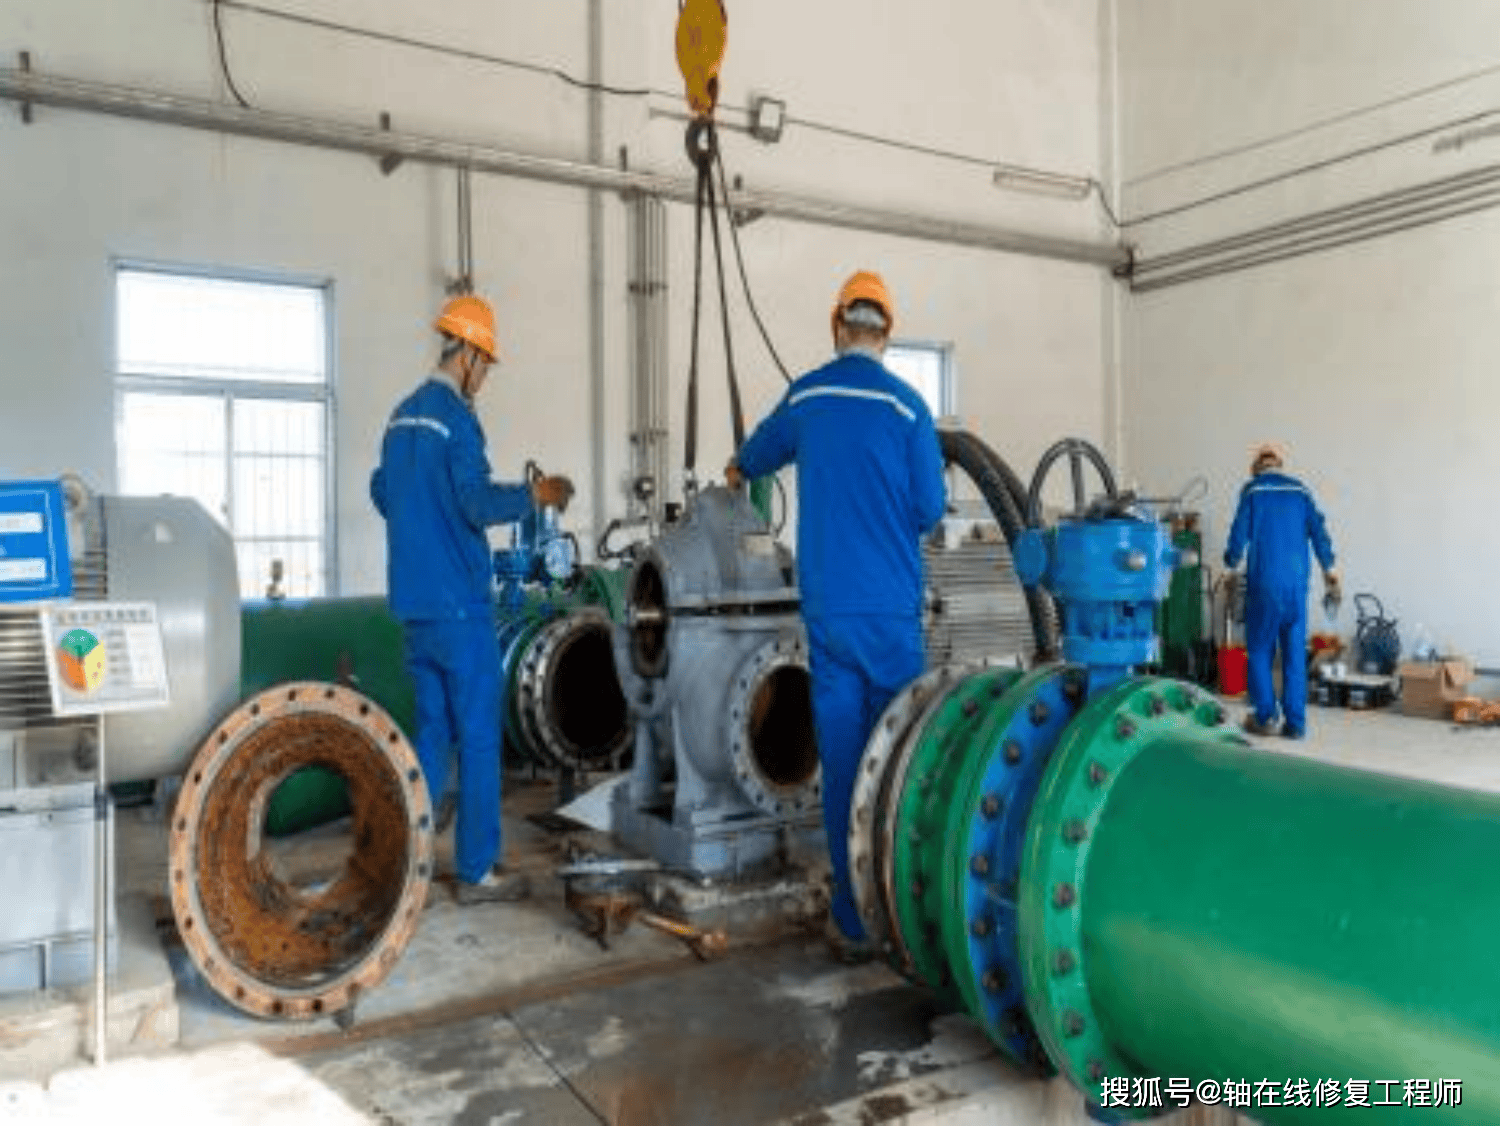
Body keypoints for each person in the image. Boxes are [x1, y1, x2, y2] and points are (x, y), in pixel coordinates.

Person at [727, 270, 946, 961]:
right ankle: (900, 915)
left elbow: (754, 458)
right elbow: (930, 510)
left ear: (837, 326)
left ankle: (852, 922)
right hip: (891, 613)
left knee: (846, 762)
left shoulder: (810, 394)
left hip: (830, 610)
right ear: (888, 333)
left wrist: (734, 473)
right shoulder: (910, 408)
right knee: (901, 760)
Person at [371, 293, 573, 904]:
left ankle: (411, 867)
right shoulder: (455, 419)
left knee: (431, 735)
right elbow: (476, 502)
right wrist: (535, 495)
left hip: (414, 607)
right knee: (480, 737)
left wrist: (421, 522)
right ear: (467, 355)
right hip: (460, 608)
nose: (484, 377)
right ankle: (477, 870)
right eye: (485, 365)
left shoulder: (401, 417)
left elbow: (382, 491)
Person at [1223, 441, 1339, 740]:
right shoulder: (1301, 491)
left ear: (1256, 468)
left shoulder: (1253, 491)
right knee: (1294, 655)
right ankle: (1296, 724)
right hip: (1297, 587)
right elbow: (1319, 533)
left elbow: (1238, 535)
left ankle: (1266, 716)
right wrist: (1329, 570)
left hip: (1265, 585)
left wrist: (1229, 564)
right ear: (1280, 465)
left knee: (1259, 650)